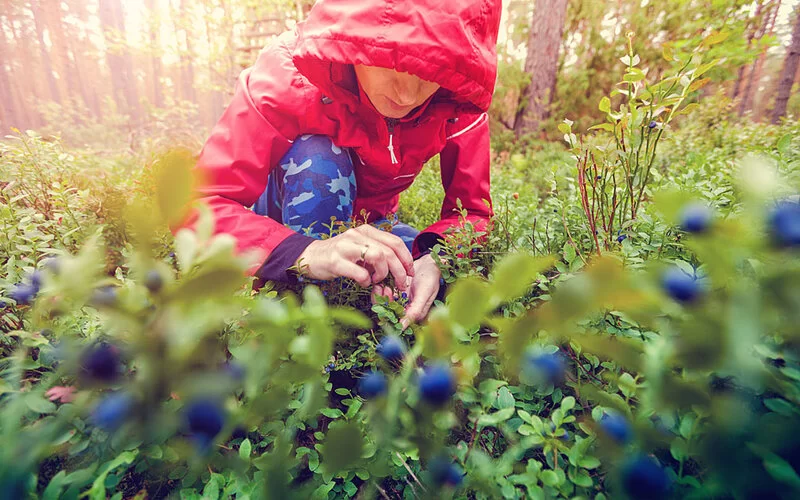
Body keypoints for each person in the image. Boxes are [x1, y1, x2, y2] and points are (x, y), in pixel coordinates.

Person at [188, 0, 501, 327]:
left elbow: (471, 212)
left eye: (432, 70)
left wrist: (437, 258)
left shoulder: (457, 100)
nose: (407, 95)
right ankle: (306, 317)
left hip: (374, 225)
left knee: (425, 281)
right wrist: (306, 252)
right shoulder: (287, 75)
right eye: (390, 60)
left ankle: (361, 294)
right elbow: (202, 204)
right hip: (281, 222)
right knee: (319, 156)